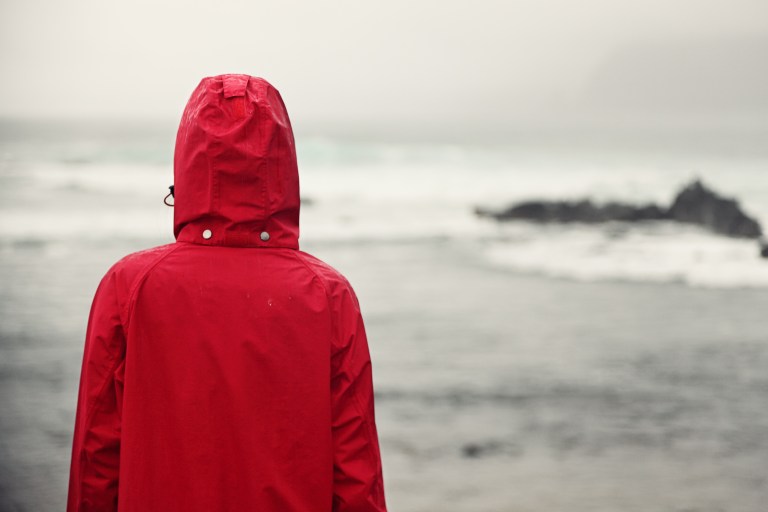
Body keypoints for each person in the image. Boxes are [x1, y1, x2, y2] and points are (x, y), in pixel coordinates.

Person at [66, 74, 387, 512]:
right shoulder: (329, 294)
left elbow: (95, 457)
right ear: (283, 168)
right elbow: (357, 472)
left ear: (187, 166)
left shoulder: (128, 286)